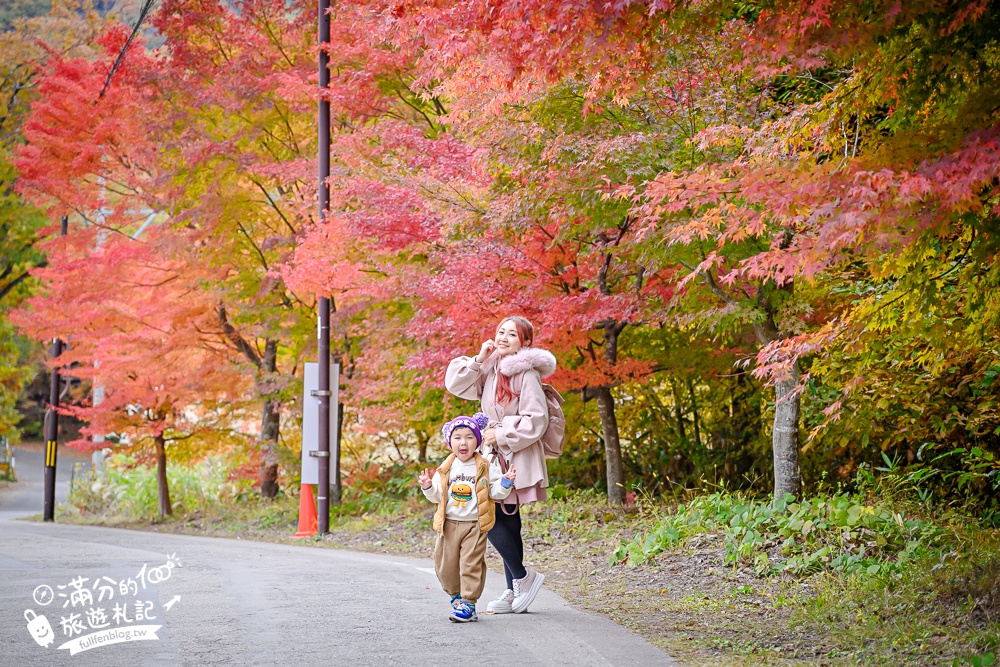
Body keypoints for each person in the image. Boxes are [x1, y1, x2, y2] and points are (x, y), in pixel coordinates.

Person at [445, 316, 556, 614]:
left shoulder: (527, 373)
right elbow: (455, 384)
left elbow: (537, 419)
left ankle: (522, 577)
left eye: (513, 334)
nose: (504, 338)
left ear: (526, 342)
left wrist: (501, 433)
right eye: (500, 332)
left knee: (489, 515)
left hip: (515, 453)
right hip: (493, 454)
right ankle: (513, 589)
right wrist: (479, 358)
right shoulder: (491, 366)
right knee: (507, 520)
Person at [418, 412, 516, 623]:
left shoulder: (485, 466)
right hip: (449, 524)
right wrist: (427, 486)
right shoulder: (446, 468)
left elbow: (495, 492)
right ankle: (455, 596)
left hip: (475, 524)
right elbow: (437, 495)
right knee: (445, 565)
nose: (464, 442)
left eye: (470, 437)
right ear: (450, 442)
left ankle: (469, 603)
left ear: (477, 441)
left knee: (471, 564)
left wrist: (505, 483)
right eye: (458, 437)